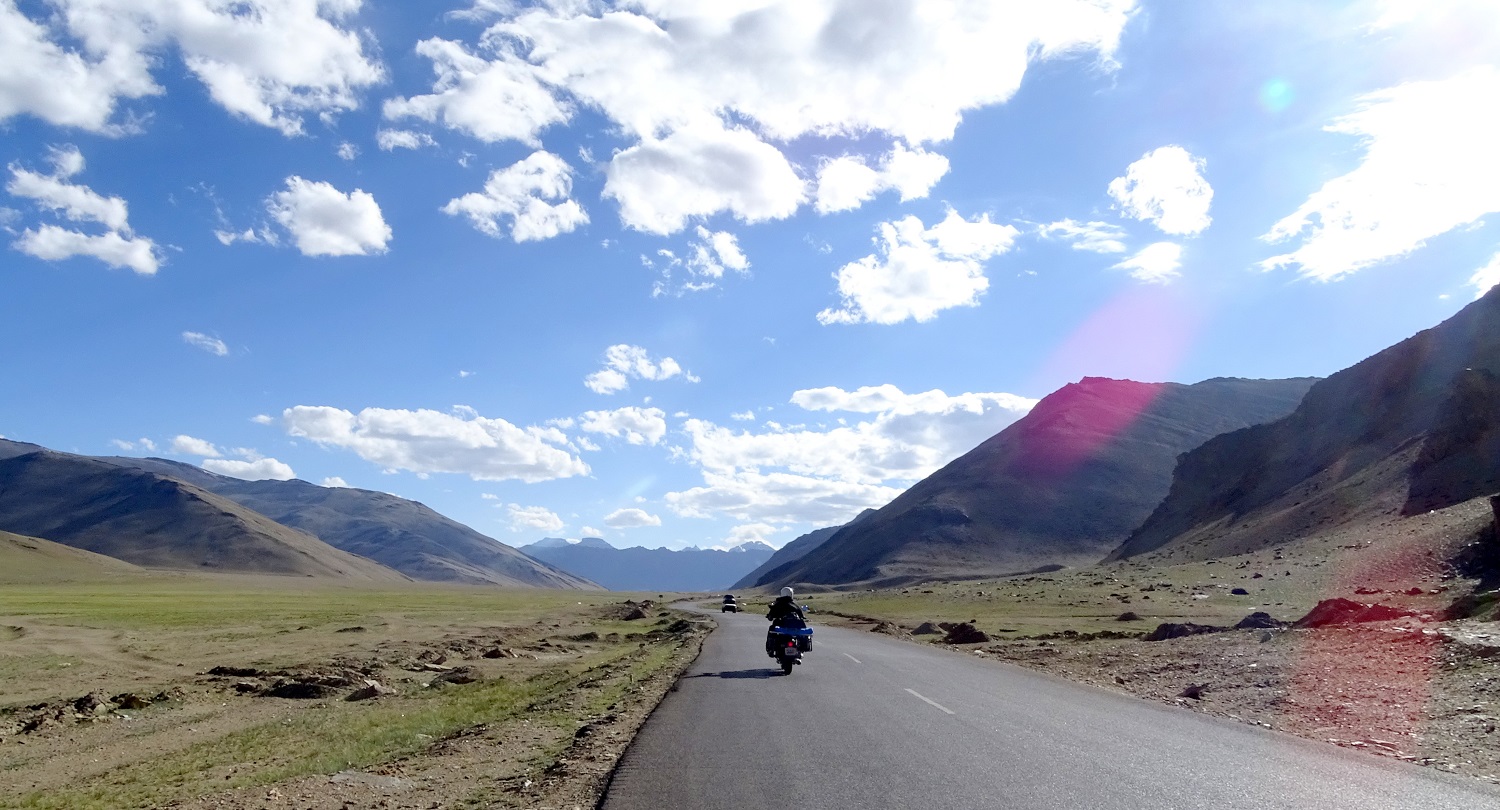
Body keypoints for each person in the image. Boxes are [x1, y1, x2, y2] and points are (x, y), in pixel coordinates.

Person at [765, 587, 807, 656]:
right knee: (802, 632)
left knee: (771, 630)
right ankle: (801, 649)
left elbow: (771, 616)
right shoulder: (795, 605)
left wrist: (770, 616)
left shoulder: (777, 604)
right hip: (794, 628)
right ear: (791, 594)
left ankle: (770, 649)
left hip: (782, 627)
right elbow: (801, 616)